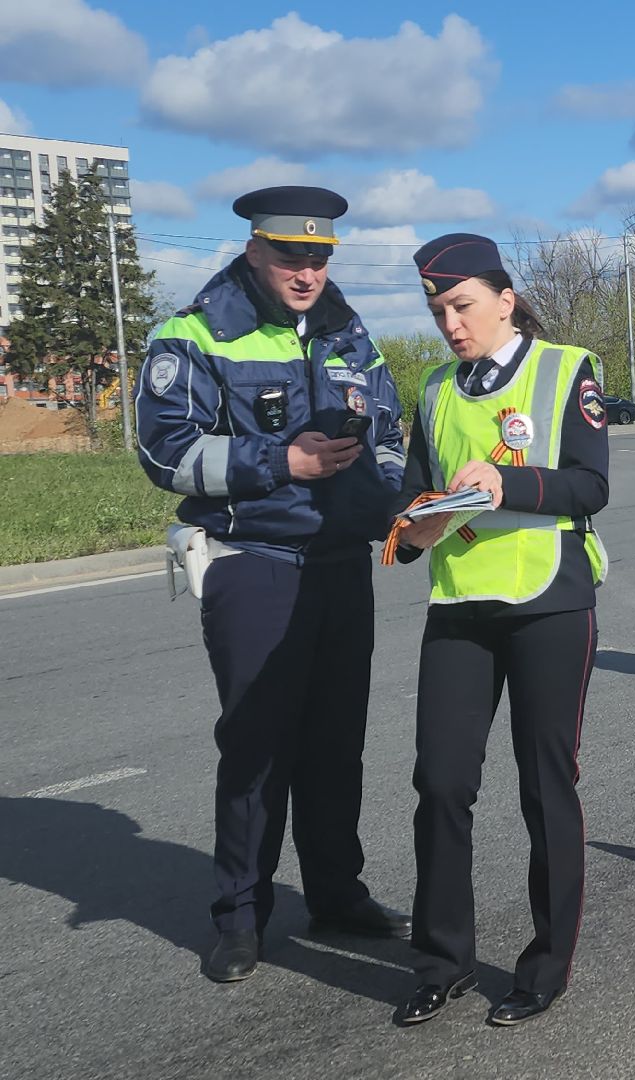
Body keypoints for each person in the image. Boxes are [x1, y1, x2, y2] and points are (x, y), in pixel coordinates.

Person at [134, 185, 411, 983]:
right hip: (252, 560)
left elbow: (387, 428)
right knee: (258, 745)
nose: (307, 272)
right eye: (291, 256)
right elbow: (163, 454)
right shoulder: (193, 334)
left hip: (339, 562)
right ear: (255, 249)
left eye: (320, 257)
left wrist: (384, 495)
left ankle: (336, 895)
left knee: (336, 743)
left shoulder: (347, 333)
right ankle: (240, 917)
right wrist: (276, 462)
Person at [390, 233, 609, 1028]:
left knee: (544, 787)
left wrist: (504, 481)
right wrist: (412, 526)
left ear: (504, 300)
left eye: (462, 305)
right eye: (437, 309)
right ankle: (443, 959)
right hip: (459, 608)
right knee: (441, 783)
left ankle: (545, 966)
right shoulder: (435, 389)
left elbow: (591, 484)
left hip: (549, 601)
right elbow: (417, 491)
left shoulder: (564, 368)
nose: (449, 323)